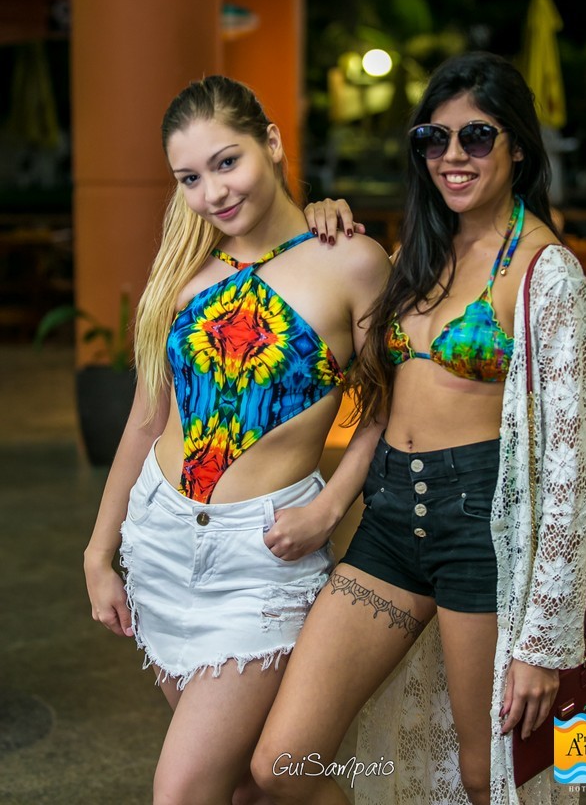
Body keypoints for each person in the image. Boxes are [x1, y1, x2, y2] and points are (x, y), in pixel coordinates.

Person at [252, 51, 586, 805]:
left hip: (480, 531)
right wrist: (319, 220)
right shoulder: (417, 253)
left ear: (517, 146)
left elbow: (569, 469)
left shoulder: (545, 272)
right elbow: (369, 374)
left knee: (487, 774)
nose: (452, 155)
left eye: (476, 136)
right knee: (282, 763)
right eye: (432, 139)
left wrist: (544, 643)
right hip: (388, 522)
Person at [82, 75, 391, 805]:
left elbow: (388, 411)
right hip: (158, 544)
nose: (213, 191)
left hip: (261, 563)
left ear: (272, 143)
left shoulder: (351, 260)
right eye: (190, 177)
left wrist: (329, 508)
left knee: (184, 791)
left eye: (227, 162)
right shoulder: (184, 272)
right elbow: (147, 420)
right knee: (256, 786)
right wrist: (99, 551)